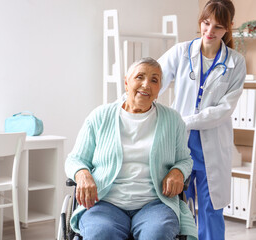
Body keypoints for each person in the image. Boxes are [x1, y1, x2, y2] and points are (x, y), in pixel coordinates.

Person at [65, 57, 198, 240]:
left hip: (155, 203)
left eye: (154, 80)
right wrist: (82, 174)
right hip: (105, 202)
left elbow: (185, 159)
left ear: (159, 89)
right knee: (101, 234)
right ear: (126, 82)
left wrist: (178, 171)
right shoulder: (100, 116)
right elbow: (75, 159)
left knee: (157, 234)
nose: (146, 85)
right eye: (140, 77)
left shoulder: (172, 120)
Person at [158, 0, 246, 239]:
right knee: (176, 208)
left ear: (228, 28)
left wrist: (184, 121)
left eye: (218, 27)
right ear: (201, 21)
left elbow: (224, 109)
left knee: (211, 209)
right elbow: (153, 79)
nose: (210, 31)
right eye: (206, 23)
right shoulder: (181, 52)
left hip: (212, 148)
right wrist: (128, 102)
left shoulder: (235, 62)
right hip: (180, 146)